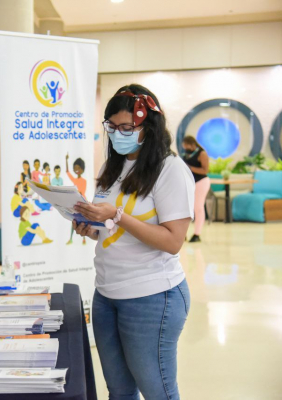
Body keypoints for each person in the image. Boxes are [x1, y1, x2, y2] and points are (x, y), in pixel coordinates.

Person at [72, 84, 194, 400]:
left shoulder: (171, 169)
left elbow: (173, 241)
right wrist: (92, 226)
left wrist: (117, 218)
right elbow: (107, 227)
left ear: (148, 127)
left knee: (158, 392)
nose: (117, 134)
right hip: (107, 293)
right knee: (119, 391)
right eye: (111, 127)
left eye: (126, 128)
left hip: (152, 297)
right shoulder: (111, 166)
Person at [182, 135, 210, 242]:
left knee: (197, 207)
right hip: (189, 183)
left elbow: (205, 170)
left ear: (192, 144)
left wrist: (190, 168)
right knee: (185, 208)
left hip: (201, 182)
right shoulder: (186, 154)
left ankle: (197, 234)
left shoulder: (201, 153)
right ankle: (182, 233)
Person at [66, 153, 87, 245]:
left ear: (82, 169)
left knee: (83, 222)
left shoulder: (84, 181)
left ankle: (84, 239)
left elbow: (82, 192)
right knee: (74, 222)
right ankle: (71, 238)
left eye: (78, 168)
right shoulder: (75, 180)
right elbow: (68, 172)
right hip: (75, 203)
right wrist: (66, 160)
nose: (77, 170)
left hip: (82, 203)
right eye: (75, 168)